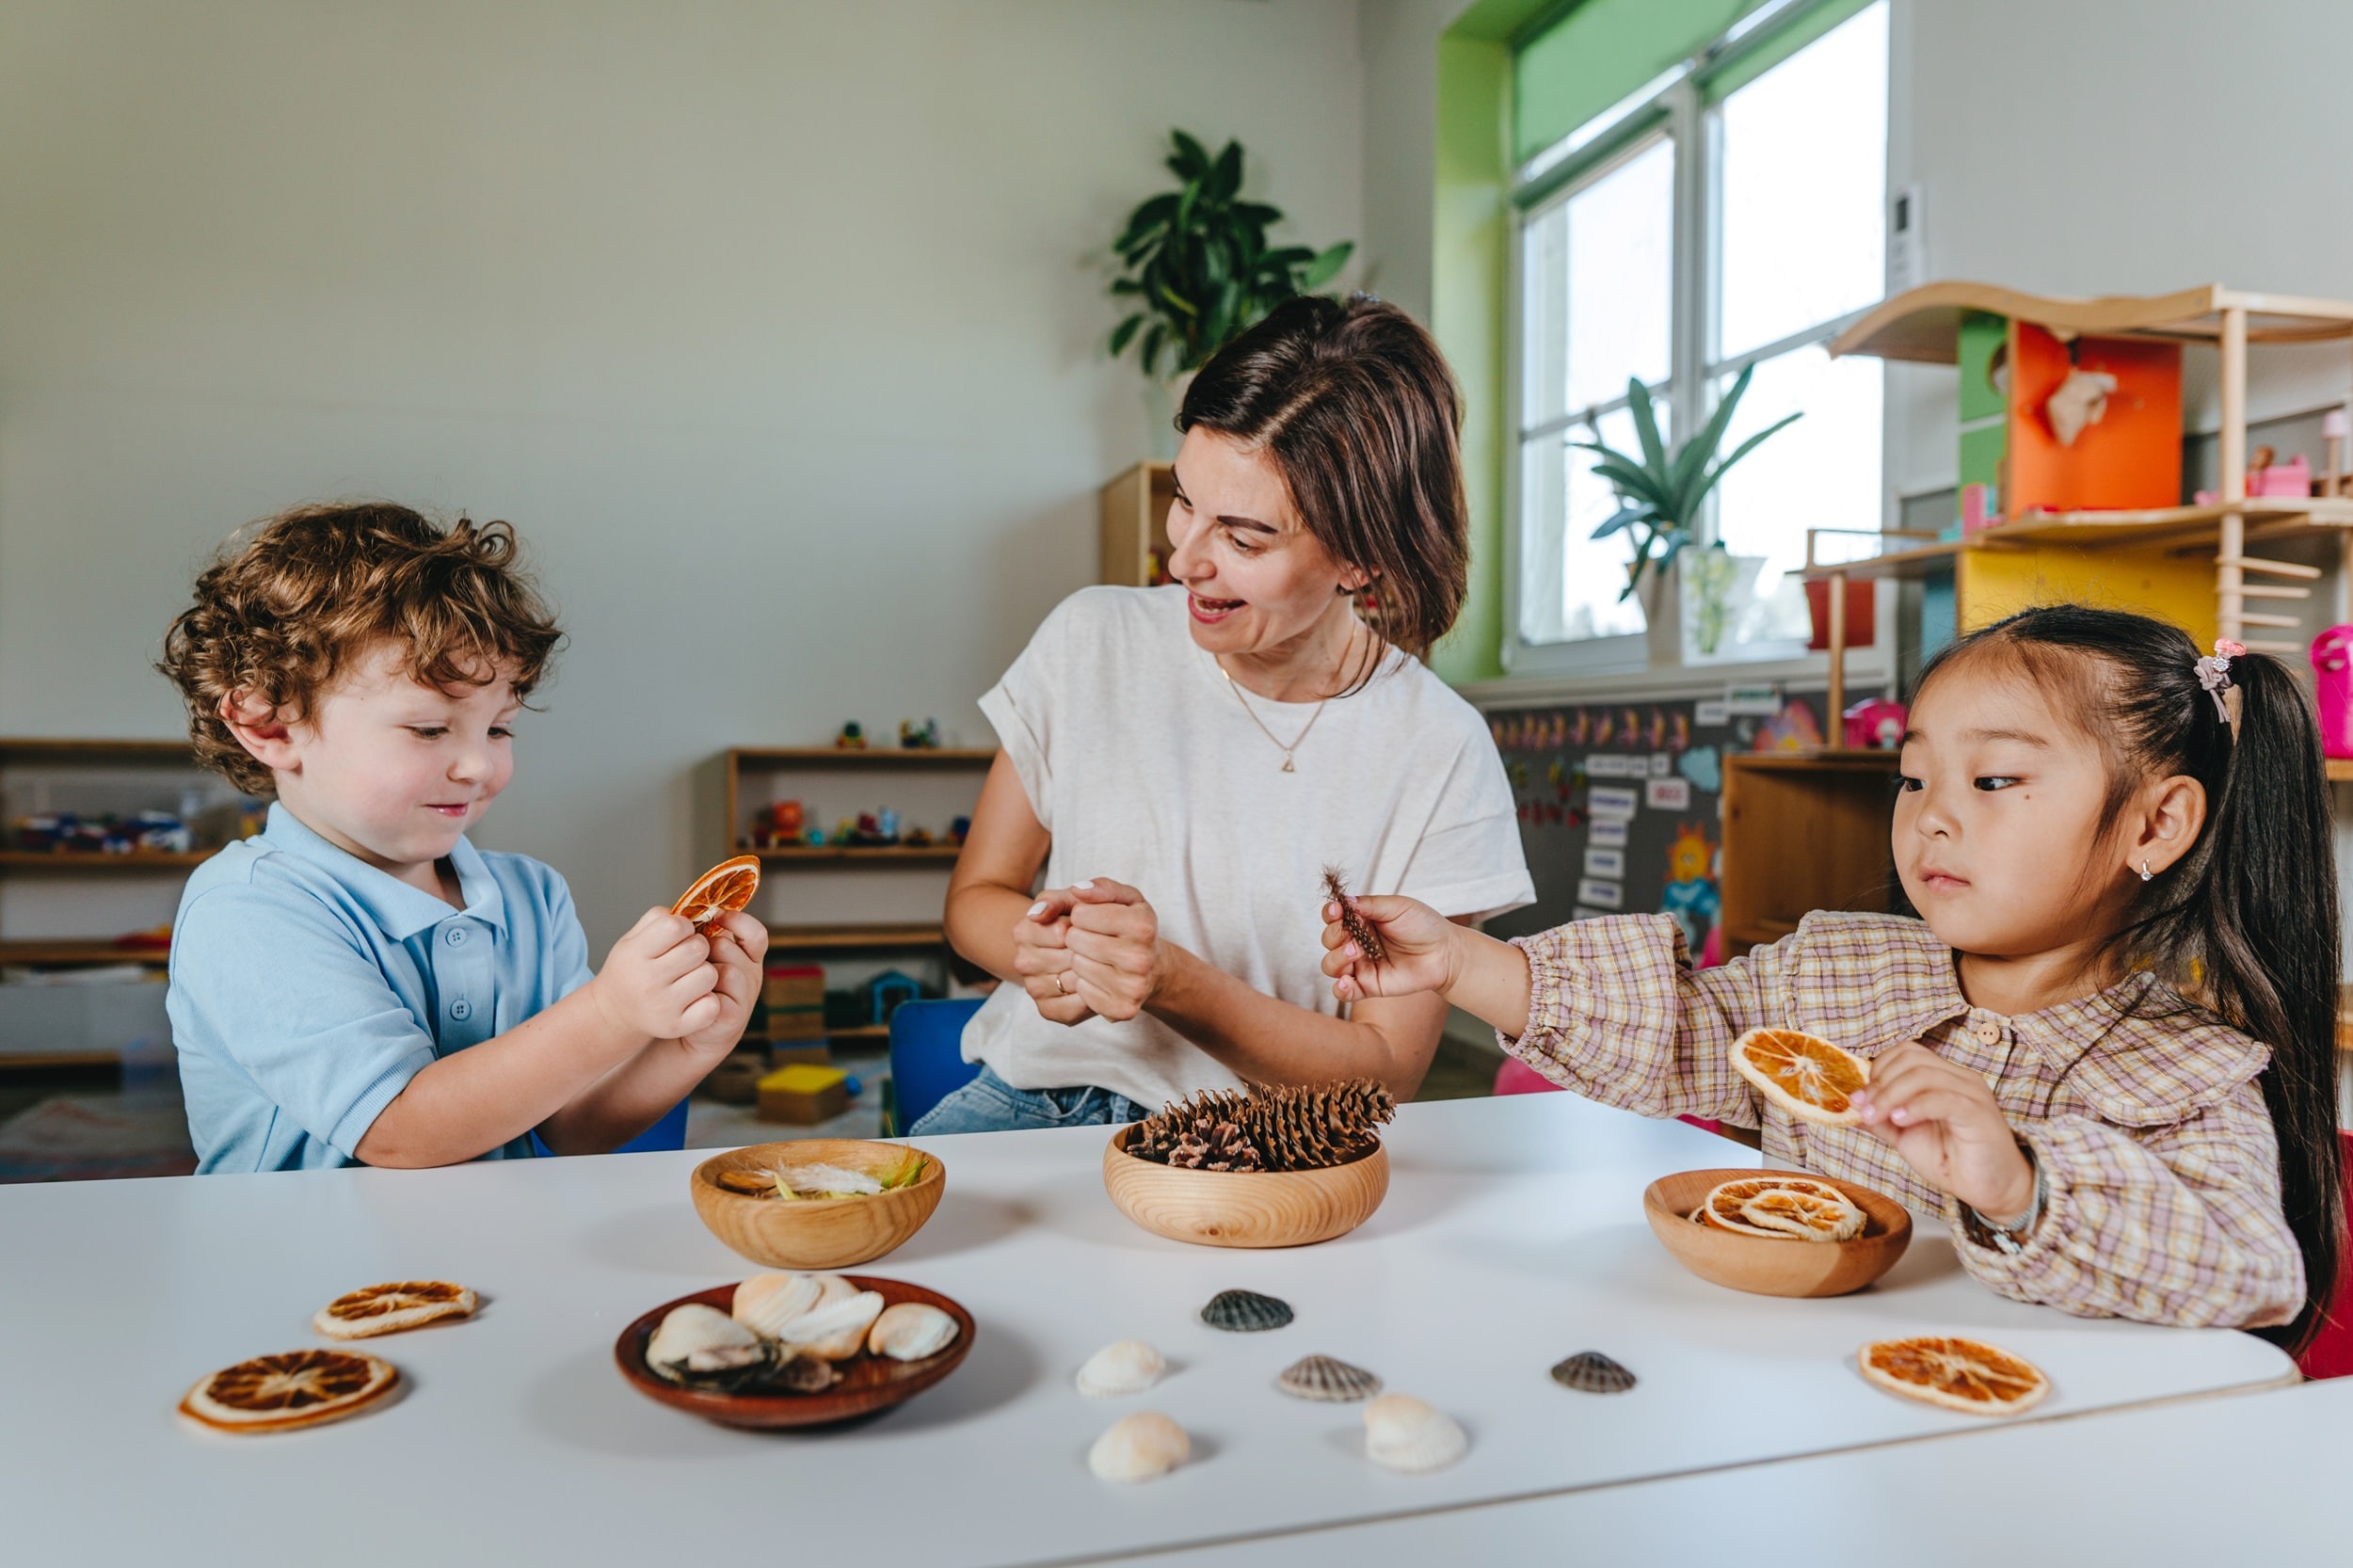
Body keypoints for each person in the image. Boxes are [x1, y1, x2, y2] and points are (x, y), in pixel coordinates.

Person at [1323, 605, 2340, 1342]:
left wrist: (2022, 1182)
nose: (1929, 814)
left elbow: (2252, 1269)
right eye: (1911, 777)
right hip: (1802, 1415)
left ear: (2155, 823)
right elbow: (1677, 1027)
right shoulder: (1838, 967)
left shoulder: (2186, 1068)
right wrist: (1458, 958)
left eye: (1992, 779)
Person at [920, 296, 1533, 1134]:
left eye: (1244, 539)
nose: (1185, 560)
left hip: (1260, 1142)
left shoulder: (1440, 750)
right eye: (1184, 501)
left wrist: (1171, 981)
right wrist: (1048, 953)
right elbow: (976, 899)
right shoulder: (1090, 638)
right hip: (1027, 1099)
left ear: (1362, 558)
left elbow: (1383, 1079)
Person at [158, 503, 763, 1172]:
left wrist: (687, 1045)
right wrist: (612, 1013)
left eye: (498, 728)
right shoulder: (247, 910)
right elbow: (398, 1130)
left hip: (489, 1257)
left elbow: (569, 1129)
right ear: (270, 725)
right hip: (310, 1268)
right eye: (428, 729)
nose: (479, 764)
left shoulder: (532, 893)